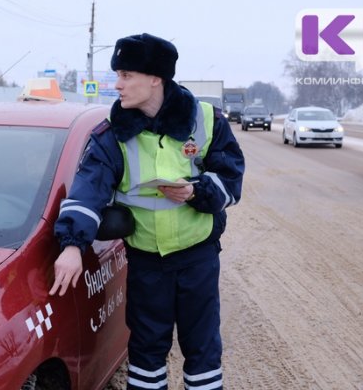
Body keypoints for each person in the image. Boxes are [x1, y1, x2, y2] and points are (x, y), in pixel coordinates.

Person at [49, 33, 244, 390]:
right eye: (117, 75)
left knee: (202, 352)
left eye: (126, 75)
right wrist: (73, 245)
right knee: (146, 354)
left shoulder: (206, 120)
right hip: (145, 263)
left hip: (197, 258)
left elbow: (232, 180)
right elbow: (87, 191)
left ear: (156, 77)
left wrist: (197, 192)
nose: (117, 84)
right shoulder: (111, 135)